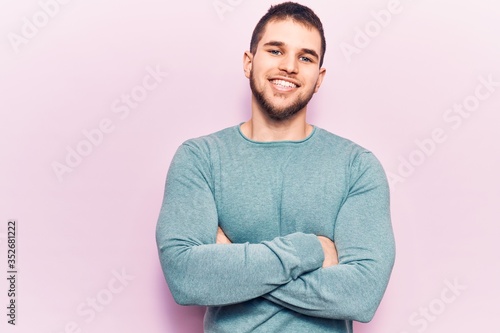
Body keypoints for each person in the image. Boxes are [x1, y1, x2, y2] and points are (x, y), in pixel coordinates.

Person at [156, 2, 395, 332]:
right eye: (275, 50)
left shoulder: (358, 167)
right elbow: (185, 276)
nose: (289, 67)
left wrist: (233, 265)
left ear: (319, 77)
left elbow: (362, 295)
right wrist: (310, 250)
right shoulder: (200, 158)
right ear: (248, 62)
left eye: (305, 57)